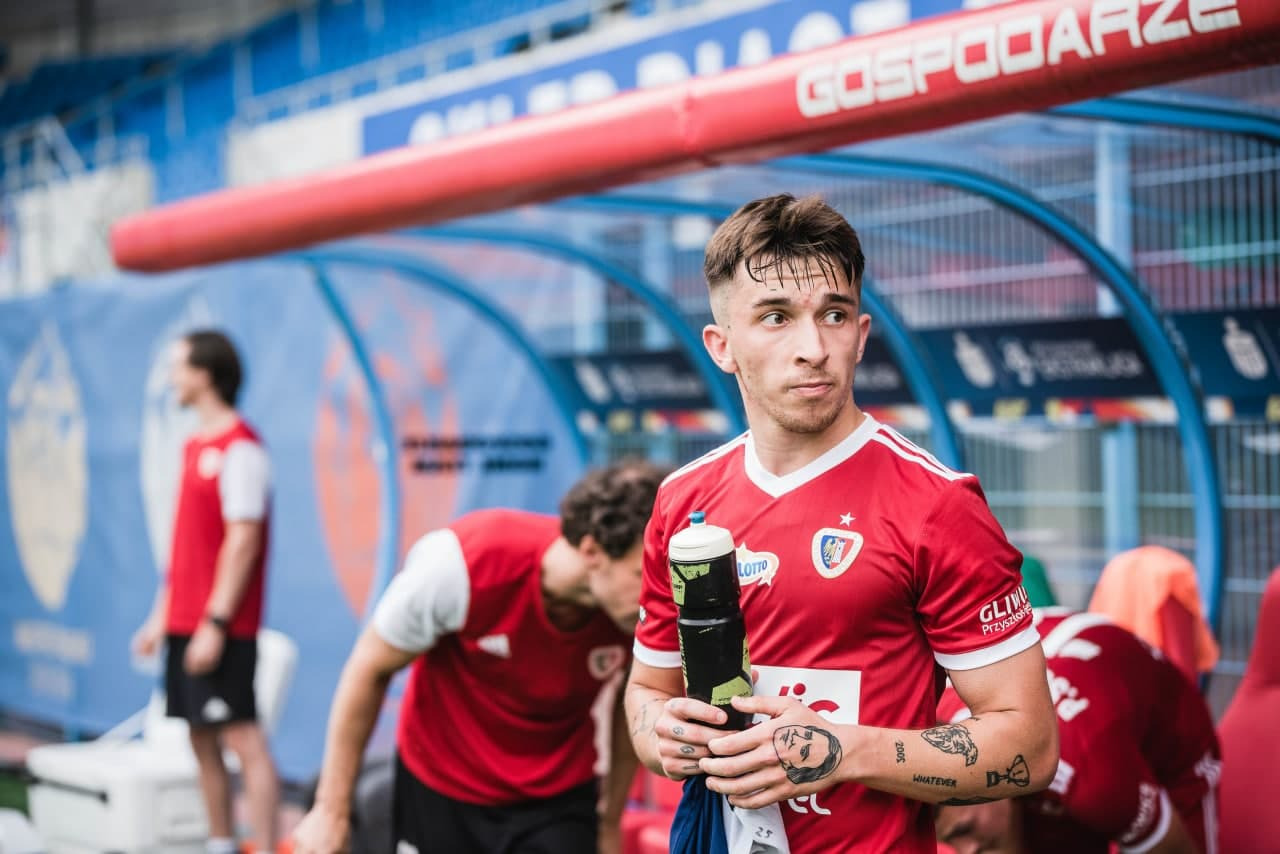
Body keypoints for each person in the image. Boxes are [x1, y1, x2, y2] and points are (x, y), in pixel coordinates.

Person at [624, 194, 1059, 853]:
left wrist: (844, 752)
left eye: (834, 315)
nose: (814, 348)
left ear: (860, 335)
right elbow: (646, 692)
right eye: (776, 317)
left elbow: (1030, 746)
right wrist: (667, 736)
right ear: (722, 346)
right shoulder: (682, 500)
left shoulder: (937, 505)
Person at [291, 460, 670, 854]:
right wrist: (330, 811)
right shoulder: (463, 563)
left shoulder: (643, 613)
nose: (657, 593)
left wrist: (609, 822)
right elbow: (370, 667)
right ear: (592, 551)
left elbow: (634, 706)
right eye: (641, 574)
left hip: (556, 801)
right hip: (441, 791)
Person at [132, 329, 278, 854]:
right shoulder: (193, 445)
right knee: (200, 736)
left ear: (205, 373)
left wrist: (215, 623)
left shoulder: (242, 449)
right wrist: (161, 617)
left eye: (179, 367)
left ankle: (266, 846)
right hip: (184, 624)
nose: (172, 378)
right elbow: (186, 549)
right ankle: (221, 843)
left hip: (222, 628)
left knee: (242, 737)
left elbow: (242, 542)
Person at [935, 607, 1222, 854]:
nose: (967, 850)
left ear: (985, 777)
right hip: (1063, 727)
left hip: (1166, 746)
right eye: (948, 840)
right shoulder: (942, 709)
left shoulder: (1082, 766)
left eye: (965, 829)